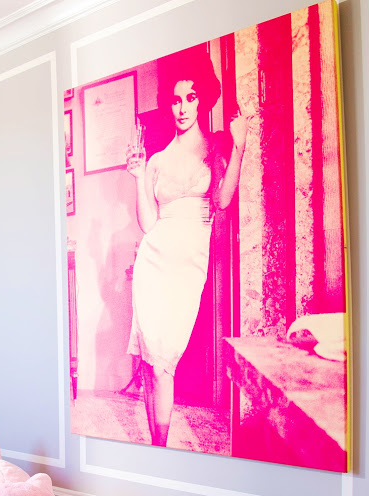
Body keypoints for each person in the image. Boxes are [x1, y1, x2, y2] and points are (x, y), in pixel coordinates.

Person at [125, 53, 250, 447]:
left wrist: (241, 144)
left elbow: (225, 200)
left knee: (165, 358)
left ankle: (157, 447)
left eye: (190, 98)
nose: (182, 108)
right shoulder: (157, 160)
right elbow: (148, 224)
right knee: (153, 362)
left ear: (202, 100)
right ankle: (158, 447)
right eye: (176, 100)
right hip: (153, 260)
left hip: (188, 265)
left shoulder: (216, 149)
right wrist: (136, 177)